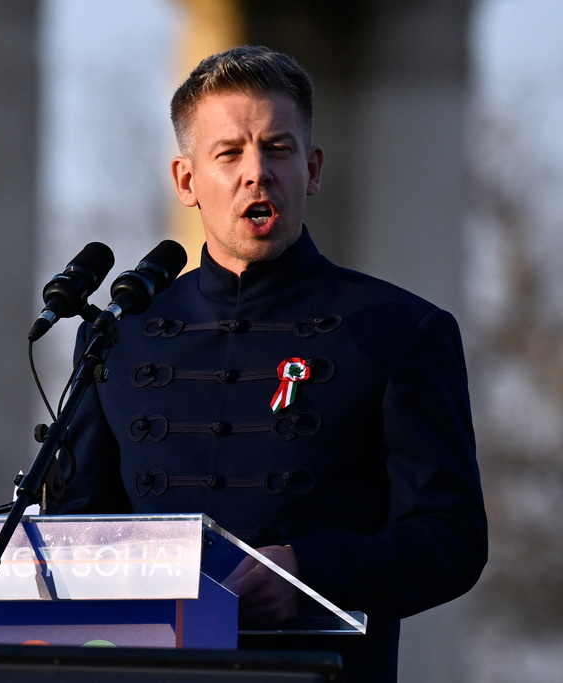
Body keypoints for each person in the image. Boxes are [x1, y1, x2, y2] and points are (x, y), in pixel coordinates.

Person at [46, 45, 487, 681]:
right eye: (229, 153)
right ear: (187, 180)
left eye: (277, 149)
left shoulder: (402, 331)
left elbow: (451, 540)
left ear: (311, 169)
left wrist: (308, 572)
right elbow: (74, 534)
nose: (257, 172)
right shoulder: (121, 335)